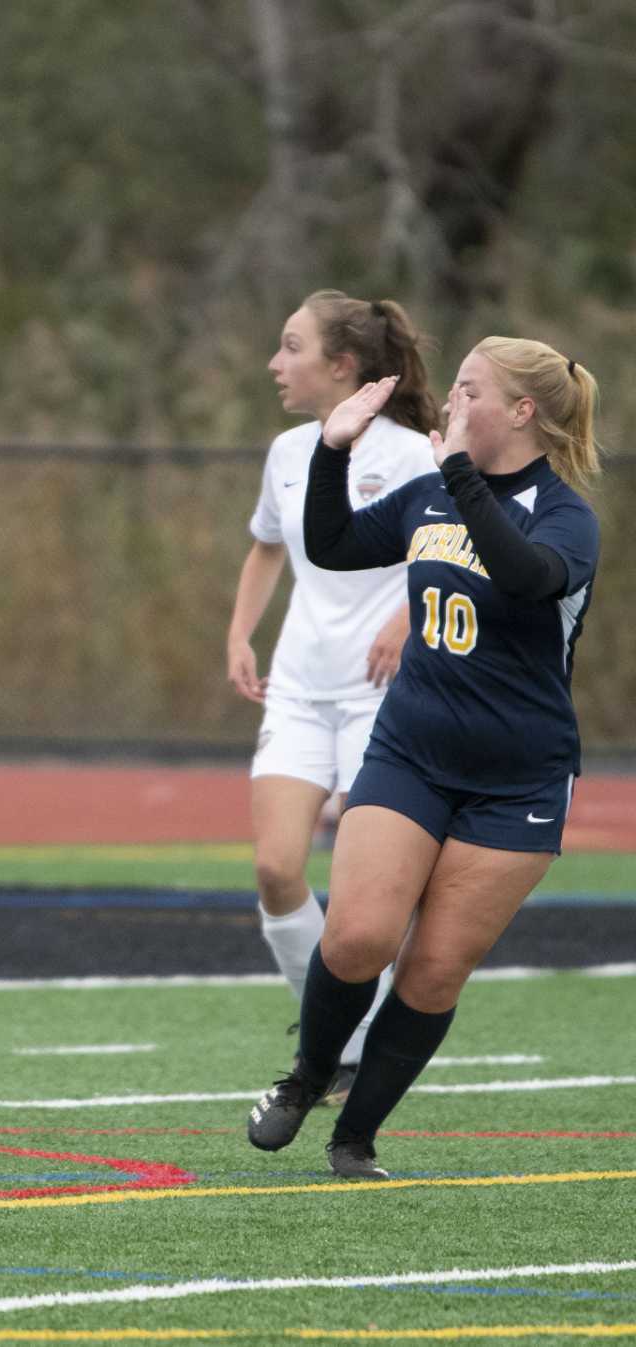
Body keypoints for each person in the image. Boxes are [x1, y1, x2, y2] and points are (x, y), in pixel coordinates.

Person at [245, 340, 601, 1180]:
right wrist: (334, 451)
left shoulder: (565, 515)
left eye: (469, 392)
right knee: (360, 934)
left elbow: (524, 577)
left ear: (520, 412)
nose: (450, 405)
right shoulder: (435, 493)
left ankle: (356, 1136)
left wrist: (462, 481)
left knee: (435, 969)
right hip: (411, 751)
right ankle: (306, 1077)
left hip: (518, 779)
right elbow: (329, 543)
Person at [226, 291, 438, 1104]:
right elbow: (265, 549)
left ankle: (345, 1042)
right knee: (277, 867)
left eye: (291, 348)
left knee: (361, 902)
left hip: (384, 697)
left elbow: (442, 553)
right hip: (300, 692)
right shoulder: (286, 449)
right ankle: (344, 1036)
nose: (277, 364)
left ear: (342, 366)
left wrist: (403, 618)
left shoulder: (415, 452)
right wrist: (240, 634)